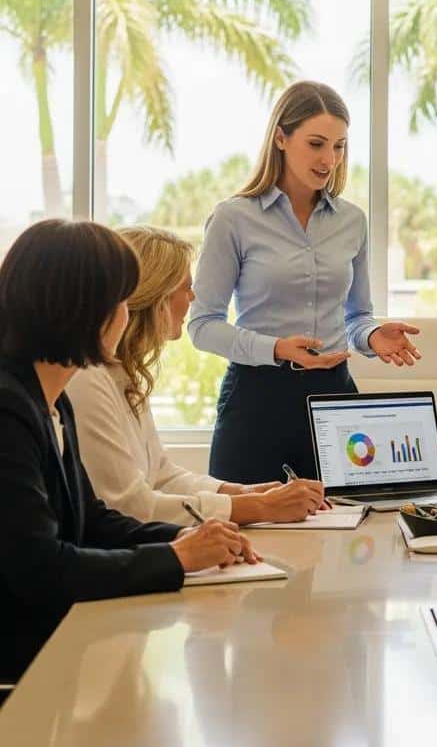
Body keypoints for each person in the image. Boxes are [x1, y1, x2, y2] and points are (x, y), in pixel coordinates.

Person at [0, 220, 258, 684]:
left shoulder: (49, 399)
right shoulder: (9, 411)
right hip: (24, 668)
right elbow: (40, 567)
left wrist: (184, 540)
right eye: (121, 301)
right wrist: (176, 559)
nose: (128, 314)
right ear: (86, 311)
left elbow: (93, 519)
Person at [189, 81, 421, 484]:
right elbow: (202, 325)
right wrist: (277, 349)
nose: (329, 159)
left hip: (335, 401)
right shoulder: (234, 218)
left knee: (350, 534)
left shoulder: (352, 221)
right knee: (249, 535)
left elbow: (356, 316)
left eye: (339, 146)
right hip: (256, 400)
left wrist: (371, 335)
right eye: (316, 144)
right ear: (281, 136)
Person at [68, 225, 326, 527]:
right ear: (155, 296)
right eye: (185, 287)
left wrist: (242, 493)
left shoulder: (125, 375)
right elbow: (130, 505)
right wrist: (259, 507)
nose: (192, 297)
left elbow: (161, 475)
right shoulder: (87, 379)